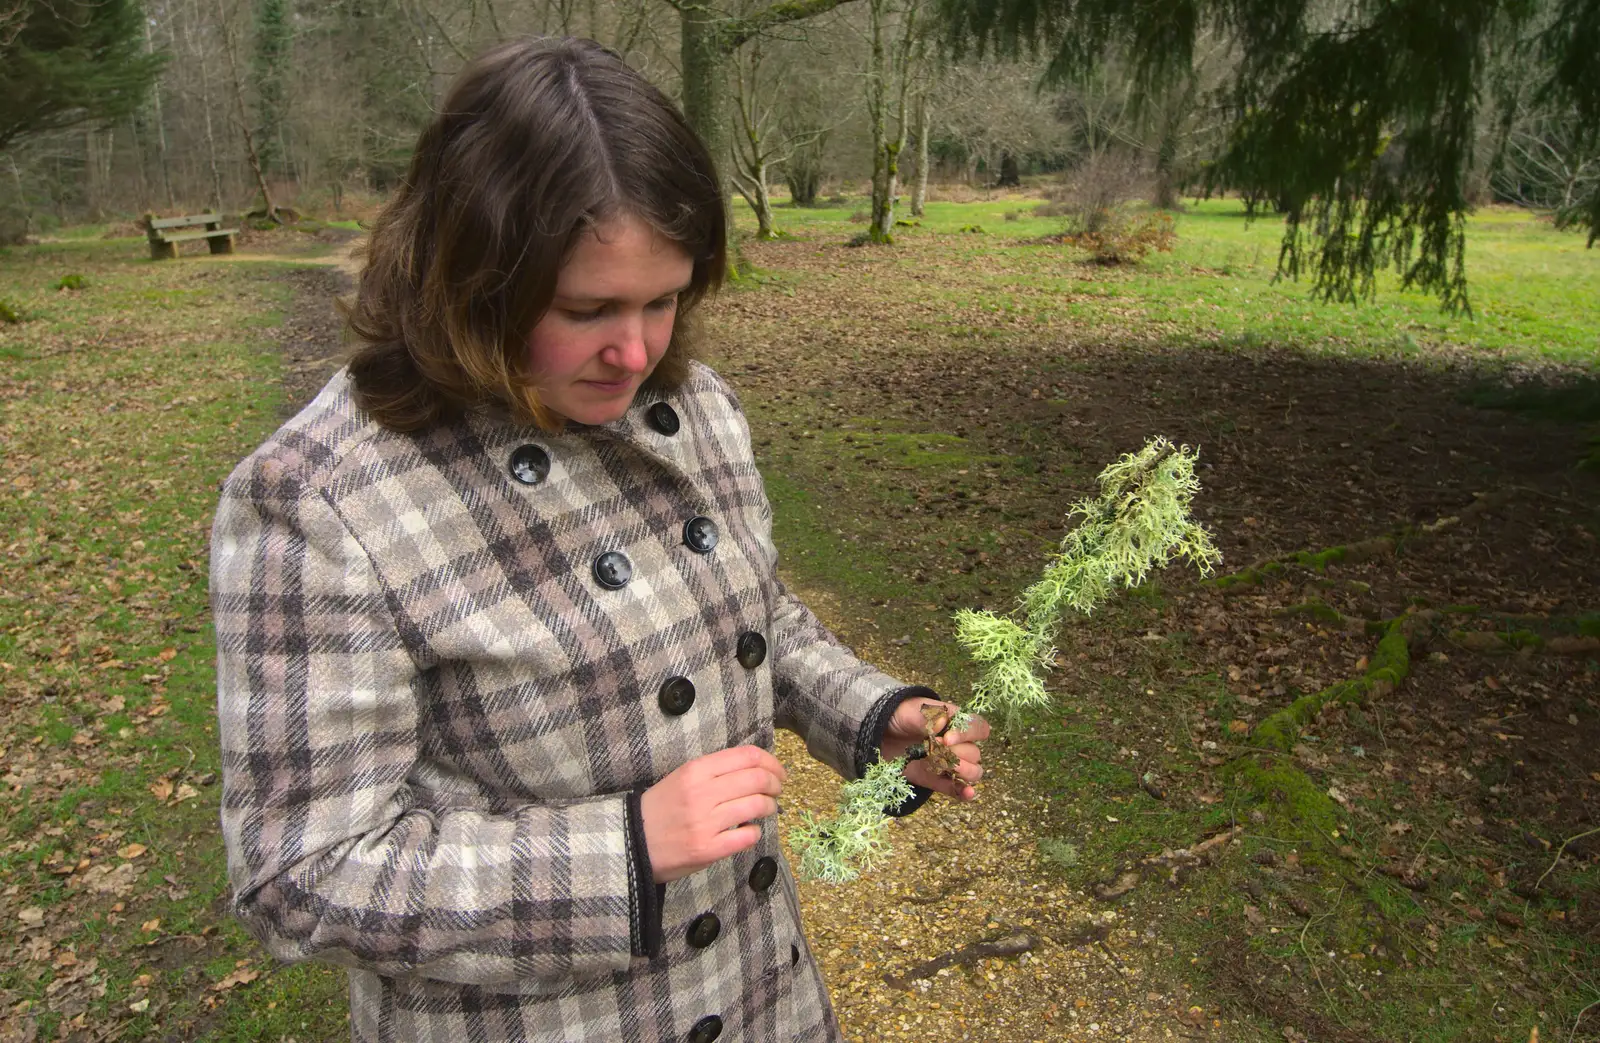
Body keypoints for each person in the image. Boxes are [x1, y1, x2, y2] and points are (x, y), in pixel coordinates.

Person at [210, 36, 989, 1043]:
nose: (636, 350)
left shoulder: (694, 405)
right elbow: (298, 875)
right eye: (587, 309)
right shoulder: (320, 501)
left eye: (663, 300)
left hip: (763, 995)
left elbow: (751, 616)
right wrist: (620, 851)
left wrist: (871, 714)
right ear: (472, 275)